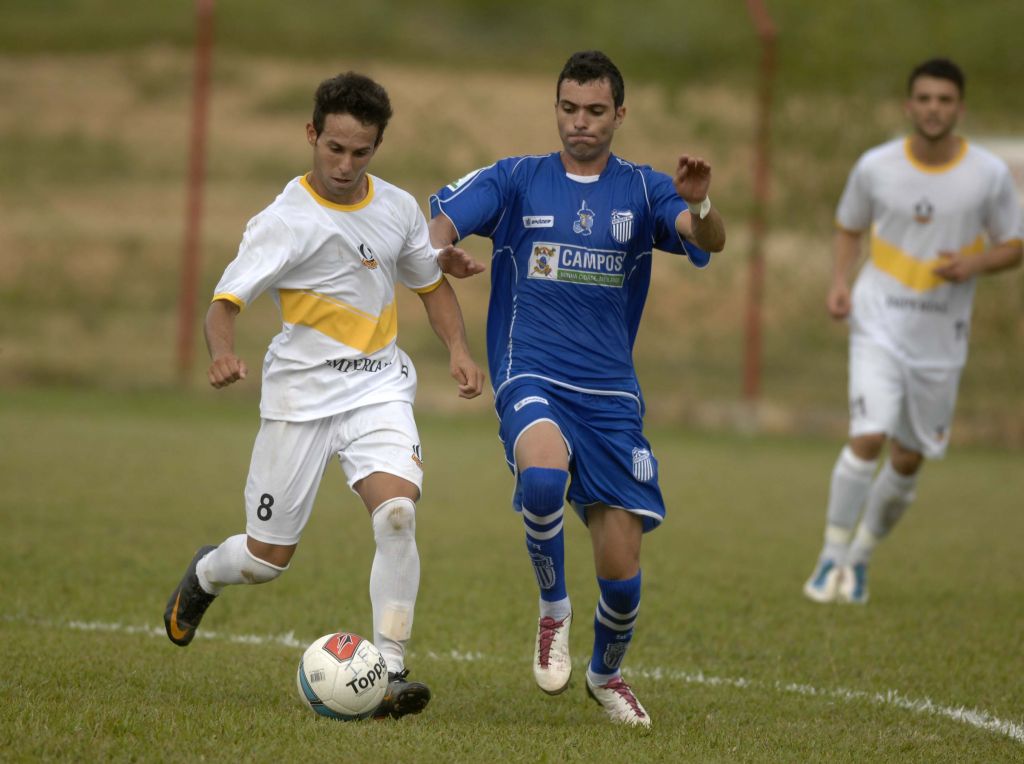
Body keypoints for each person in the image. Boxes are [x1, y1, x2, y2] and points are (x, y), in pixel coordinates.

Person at [163, 71, 485, 720]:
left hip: (377, 388)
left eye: (359, 151)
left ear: (376, 148)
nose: (344, 164)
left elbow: (430, 286)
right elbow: (223, 306)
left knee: (397, 513)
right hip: (298, 400)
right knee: (265, 560)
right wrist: (222, 352)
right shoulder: (282, 222)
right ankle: (205, 574)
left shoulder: (395, 209)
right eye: (333, 147)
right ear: (312, 134)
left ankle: (391, 672)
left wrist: (456, 348)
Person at [428, 50, 726, 728]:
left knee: (623, 579)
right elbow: (439, 222)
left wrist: (702, 200)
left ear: (620, 114)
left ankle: (606, 673)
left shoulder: (646, 189)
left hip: (612, 398)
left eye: (595, 111)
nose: (580, 122)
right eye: (569, 109)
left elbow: (709, 237)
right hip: (529, 370)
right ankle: (553, 611)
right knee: (540, 479)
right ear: (555, 108)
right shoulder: (518, 179)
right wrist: (439, 249)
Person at [803, 58, 1022, 605]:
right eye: (924, 98)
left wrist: (975, 265)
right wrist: (838, 281)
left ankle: (860, 558)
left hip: (941, 338)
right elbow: (849, 226)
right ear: (909, 105)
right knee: (868, 435)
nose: (933, 109)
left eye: (944, 100)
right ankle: (830, 554)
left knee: (906, 457)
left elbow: (1015, 243)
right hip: (877, 321)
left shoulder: (988, 174)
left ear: (959, 109)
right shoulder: (876, 167)